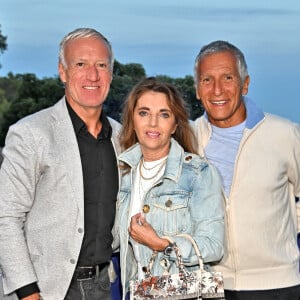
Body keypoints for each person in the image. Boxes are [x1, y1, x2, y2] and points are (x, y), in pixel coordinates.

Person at [0, 28, 121, 300]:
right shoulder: (31, 133)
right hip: (47, 289)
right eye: (81, 64)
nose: (93, 75)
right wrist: (28, 292)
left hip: (104, 285)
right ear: (63, 72)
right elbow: (6, 217)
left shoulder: (122, 137)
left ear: (111, 74)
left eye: (101, 65)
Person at [191, 40, 300, 299]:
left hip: (278, 285)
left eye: (228, 77)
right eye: (207, 80)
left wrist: (285, 227)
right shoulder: (187, 139)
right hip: (208, 287)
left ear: (245, 84)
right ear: (197, 89)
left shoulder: (284, 134)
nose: (217, 90)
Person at [116, 77, 225, 299]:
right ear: (132, 120)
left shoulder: (198, 173)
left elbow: (214, 245)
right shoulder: (122, 174)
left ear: (175, 124)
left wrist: (161, 244)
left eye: (164, 114)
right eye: (144, 113)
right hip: (139, 293)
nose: (153, 123)